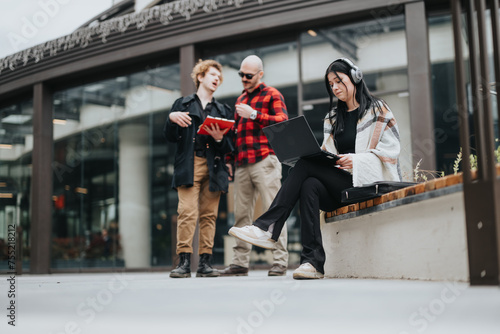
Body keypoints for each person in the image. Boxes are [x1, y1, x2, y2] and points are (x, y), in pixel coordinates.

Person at [229, 58, 402, 279]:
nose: (335, 87)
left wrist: (357, 160)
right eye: (331, 84)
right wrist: (329, 159)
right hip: (341, 188)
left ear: (356, 78)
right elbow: (327, 152)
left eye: (339, 81)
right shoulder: (332, 117)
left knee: (306, 166)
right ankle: (312, 263)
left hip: (366, 184)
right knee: (309, 183)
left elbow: (391, 151)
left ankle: (267, 226)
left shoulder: (377, 109)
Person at [220, 55, 290, 277]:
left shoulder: (272, 94)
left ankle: (280, 261)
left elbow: (282, 122)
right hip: (242, 164)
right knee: (241, 216)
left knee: (274, 210)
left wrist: (254, 115)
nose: (244, 78)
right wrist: (229, 160)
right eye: (241, 74)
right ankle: (240, 263)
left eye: (248, 75)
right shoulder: (240, 99)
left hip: (265, 160)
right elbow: (237, 134)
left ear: (260, 74)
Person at [164, 59, 233, 278]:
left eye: (219, 77)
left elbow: (230, 147)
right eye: (212, 75)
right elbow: (170, 136)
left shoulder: (223, 109)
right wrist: (171, 118)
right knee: (187, 212)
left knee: (209, 216)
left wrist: (220, 138)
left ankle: (205, 263)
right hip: (189, 164)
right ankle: (184, 263)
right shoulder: (182, 104)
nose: (216, 79)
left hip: (214, 166)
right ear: (200, 77)